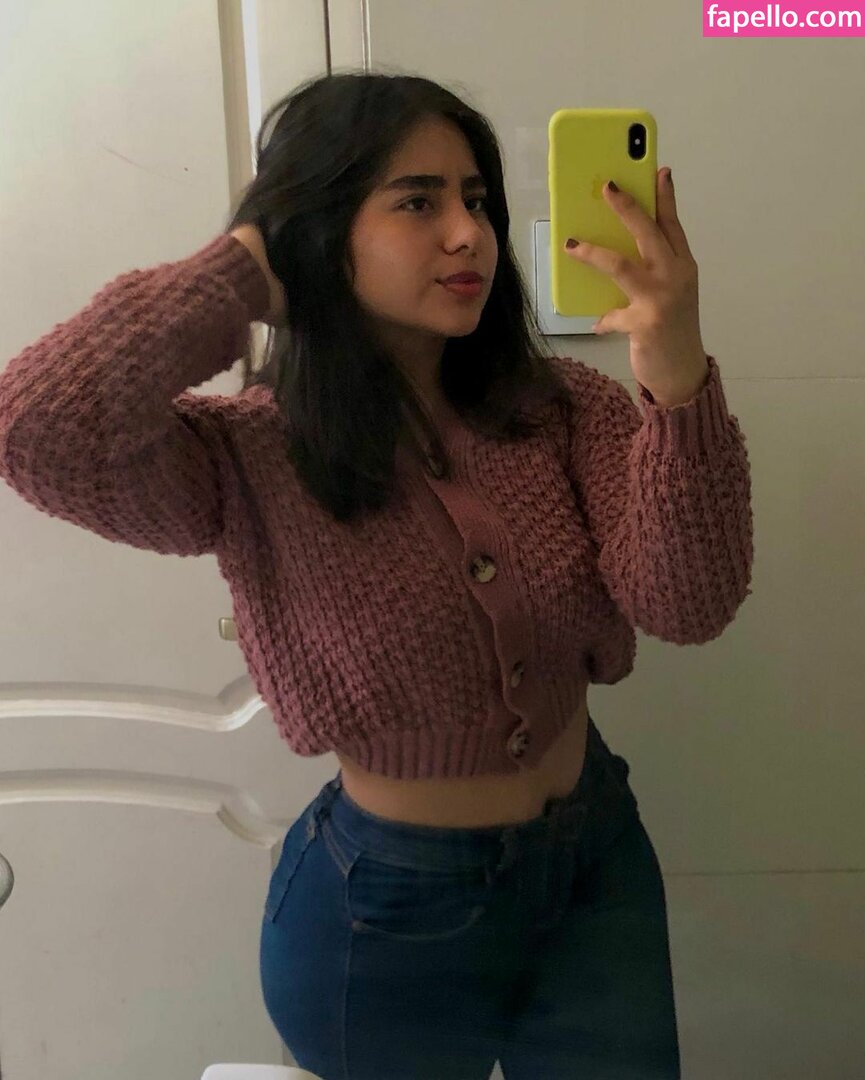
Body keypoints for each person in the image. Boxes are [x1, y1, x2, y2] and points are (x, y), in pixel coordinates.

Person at [0, 69, 753, 1079]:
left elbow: (691, 605)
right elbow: (37, 429)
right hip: (389, 912)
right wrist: (243, 271)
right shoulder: (246, 456)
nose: (467, 234)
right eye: (417, 202)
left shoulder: (566, 409)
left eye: (475, 199)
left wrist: (677, 372)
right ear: (319, 230)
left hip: (594, 866)